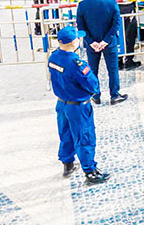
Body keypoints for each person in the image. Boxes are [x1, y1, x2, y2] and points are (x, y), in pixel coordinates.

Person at [48, 26, 110, 183]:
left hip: (61, 103)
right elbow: (93, 85)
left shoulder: (53, 57)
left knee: (66, 134)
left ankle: (68, 164)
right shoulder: (75, 63)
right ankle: (90, 171)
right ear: (74, 42)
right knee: (84, 136)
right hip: (77, 106)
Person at [75, 0, 127, 105]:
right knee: (113, 70)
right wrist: (106, 40)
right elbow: (116, 24)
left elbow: (80, 27)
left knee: (93, 70)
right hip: (109, 42)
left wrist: (91, 41)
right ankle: (114, 95)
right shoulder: (112, 3)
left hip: (91, 43)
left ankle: (95, 94)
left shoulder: (82, 5)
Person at [103, 0, 142, 69]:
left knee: (115, 33)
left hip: (111, 7)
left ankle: (118, 59)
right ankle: (128, 59)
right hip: (126, 7)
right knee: (129, 33)